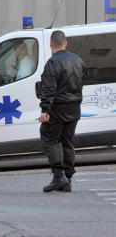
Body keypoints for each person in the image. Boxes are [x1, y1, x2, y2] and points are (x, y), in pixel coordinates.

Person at [39, 30, 85, 193]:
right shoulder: (78, 60)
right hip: (74, 107)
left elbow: (49, 88)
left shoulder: (52, 63)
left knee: (49, 139)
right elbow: (81, 81)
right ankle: (68, 178)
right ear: (65, 43)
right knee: (68, 142)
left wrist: (45, 109)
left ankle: (59, 177)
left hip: (58, 107)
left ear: (51, 44)